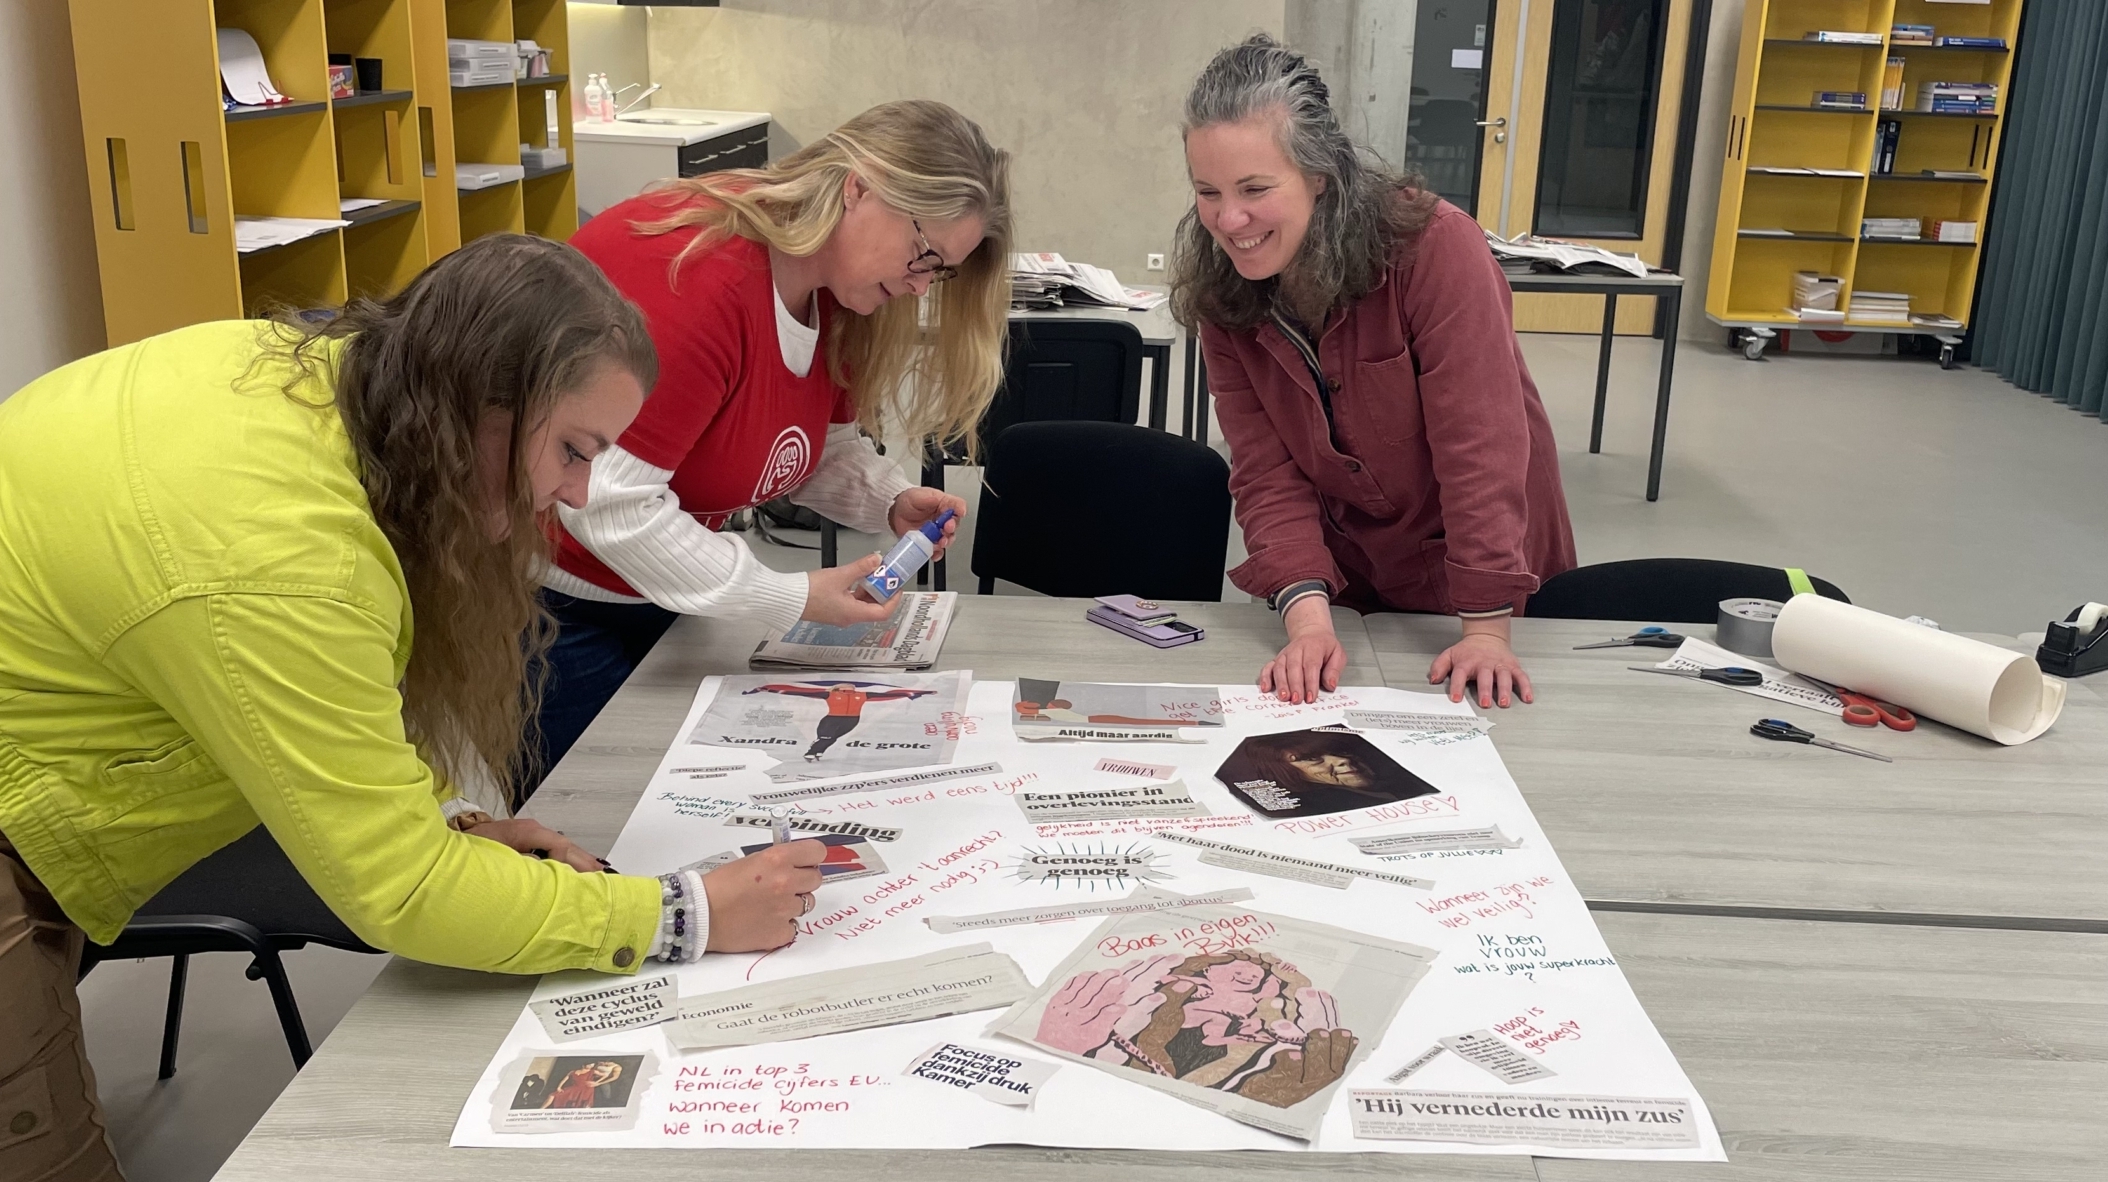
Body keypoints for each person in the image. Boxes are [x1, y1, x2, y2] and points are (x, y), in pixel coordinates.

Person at [0, 236, 822, 1182]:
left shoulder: (333, 386)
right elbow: (401, 892)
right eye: (572, 449)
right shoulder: (285, 559)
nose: (578, 493)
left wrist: (445, 818)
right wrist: (684, 913)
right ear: (480, 402)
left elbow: (324, 697)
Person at [531, 99, 1014, 793]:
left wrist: (889, 500)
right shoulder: (701, 274)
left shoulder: (835, 292)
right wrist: (786, 595)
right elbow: (606, 503)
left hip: (657, 599)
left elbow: (807, 442)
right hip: (556, 604)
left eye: (939, 273)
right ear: (859, 187)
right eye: (924, 255)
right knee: (594, 825)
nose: (918, 286)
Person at [1171, 36, 1578, 710]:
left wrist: (1486, 631)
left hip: (1482, 590)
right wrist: (1307, 622)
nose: (1229, 220)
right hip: (1353, 584)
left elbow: (1481, 448)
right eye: (1207, 192)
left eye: (1255, 189)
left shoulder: (1435, 250)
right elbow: (1268, 471)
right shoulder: (1226, 292)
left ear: (1320, 174)